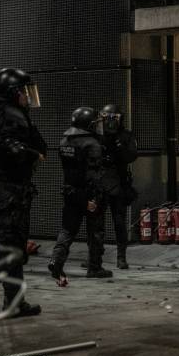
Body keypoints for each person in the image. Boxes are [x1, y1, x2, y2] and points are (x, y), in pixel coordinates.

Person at [0, 68, 46, 317]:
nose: (28, 97)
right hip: (8, 189)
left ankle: (15, 303)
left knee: (10, 246)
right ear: (14, 93)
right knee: (5, 248)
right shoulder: (11, 113)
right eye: (25, 93)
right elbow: (10, 146)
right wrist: (33, 155)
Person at [48, 107, 111, 286]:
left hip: (70, 191)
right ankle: (95, 267)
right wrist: (94, 199)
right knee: (96, 231)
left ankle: (56, 261)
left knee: (67, 229)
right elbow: (94, 175)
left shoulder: (64, 141)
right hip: (88, 193)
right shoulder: (92, 144)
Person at [98, 104, 138, 269]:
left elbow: (131, 156)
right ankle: (94, 257)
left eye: (115, 118)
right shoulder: (97, 135)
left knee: (119, 222)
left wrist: (118, 146)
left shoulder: (126, 135)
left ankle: (121, 257)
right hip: (100, 183)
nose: (111, 121)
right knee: (96, 223)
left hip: (119, 184)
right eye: (108, 117)